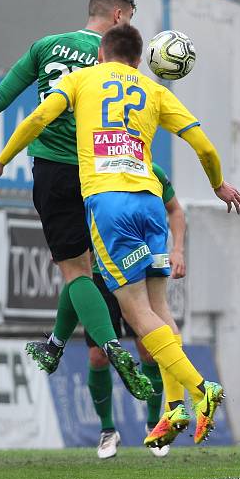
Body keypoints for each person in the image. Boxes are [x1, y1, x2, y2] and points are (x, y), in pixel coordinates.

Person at [0, 23, 240, 449]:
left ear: (101, 53)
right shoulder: (155, 91)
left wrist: (0, 162)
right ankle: (173, 407)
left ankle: (198, 389)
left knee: (135, 313)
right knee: (158, 309)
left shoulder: (81, 78)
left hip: (110, 203)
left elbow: (39, 118)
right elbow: (206, 148)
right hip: (152, 202)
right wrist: (218, 185)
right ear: (139, 59)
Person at [0, 0, 154, 402]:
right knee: (86, 269)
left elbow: (2, 97)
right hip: (105, 174)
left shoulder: (46, 46)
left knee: (75, 272)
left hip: (53, 170)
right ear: (120, 16)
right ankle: (57, 344)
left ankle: (105, 344)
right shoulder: (115, 61)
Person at [87, 161, 186, 459]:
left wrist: (177, 249)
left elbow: (176, 211)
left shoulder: (151, 170)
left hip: (139, 270)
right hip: (100, 272)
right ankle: (107, 430)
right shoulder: (93, 168)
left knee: (148, 346)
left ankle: (154, 424)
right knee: (98, 354)